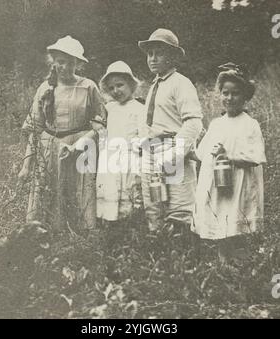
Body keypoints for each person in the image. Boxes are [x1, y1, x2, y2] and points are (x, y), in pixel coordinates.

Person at [18, 35, 105, 233]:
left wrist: (84, 141)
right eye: (60, 62)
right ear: (54, 62)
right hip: (50, 147)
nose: (64, 67)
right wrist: (26, 166)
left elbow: (101, 122)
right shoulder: (46, 88)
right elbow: (35, 127)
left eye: (70, 63)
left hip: (80, 149)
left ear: (78, 64)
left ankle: (81, 237)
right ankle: (47, 235)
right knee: (48, 191)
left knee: (79, 193)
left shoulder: (88, 87)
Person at [193, 62, 266, 263]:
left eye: (235, 93)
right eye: (225, 93)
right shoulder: (216, 124)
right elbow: (202, 154)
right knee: (221, 223)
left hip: (239, 183)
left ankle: (242, 265)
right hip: (218, 183)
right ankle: (224, 263)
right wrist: (191, 146)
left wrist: (229, 155)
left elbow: (255, 156)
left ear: (245, 96)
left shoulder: (250, 124)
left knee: (236, 225)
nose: (229, 98)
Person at [137, 28, 203, 237]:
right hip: (152, 152)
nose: (153, 58)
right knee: (154, 204)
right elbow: (149, 120)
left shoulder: (181, 84)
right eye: (150, 54)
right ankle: (157, 250)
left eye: (159, 53)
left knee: (179, 207)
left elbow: (193, 121)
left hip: (174, 151)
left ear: (173, 56)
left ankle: (183, 257)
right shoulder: (154, 86)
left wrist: (175, 154)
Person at [96, 61, 145, 226]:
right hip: (110, 159)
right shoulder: (110, 108)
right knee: (111, 193)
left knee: (129, 194)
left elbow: (142, 135)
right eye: (111, 88)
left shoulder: (139, 108)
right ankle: (111, 226)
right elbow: (104, 130)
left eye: (120, 85)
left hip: (130, 159)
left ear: (131, 84)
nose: (116, 91)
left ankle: (130, 228)